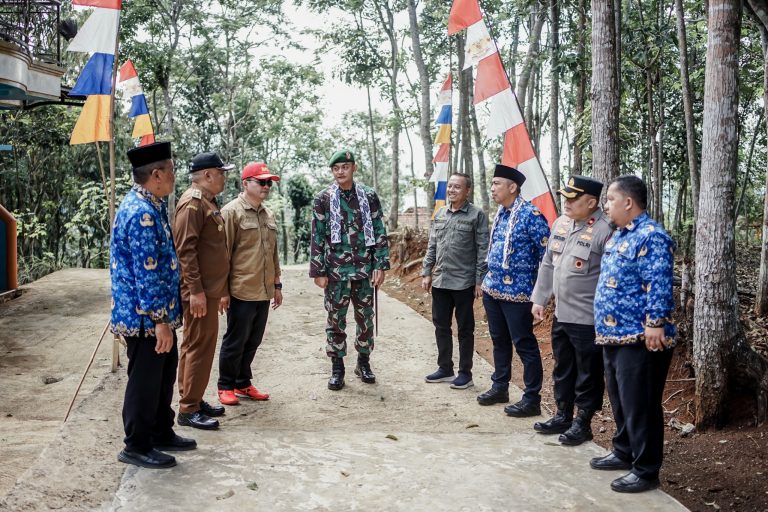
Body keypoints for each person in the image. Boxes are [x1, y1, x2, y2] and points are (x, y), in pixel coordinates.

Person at [112, 141, 196, 469]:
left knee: (163, 375)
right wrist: (160, 319)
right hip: (144, 318)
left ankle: (161, 430)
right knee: (145, 380)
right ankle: (136, 444)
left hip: (159, 315)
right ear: (156, 175)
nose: (175, 177)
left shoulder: (154, 205)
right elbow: (145, 272)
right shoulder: (141, 213)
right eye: (172, 171)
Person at [589, 175, 676, 494]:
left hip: (641, 336)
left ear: (628, 202)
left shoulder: (651, 236)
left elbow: (660, 282)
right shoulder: (619, 235)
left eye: (610, 199)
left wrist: (655, 322)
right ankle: (624, 451)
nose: (605, 205)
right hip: (614, 334)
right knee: (622, 399)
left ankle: (646, 468)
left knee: (641, 403)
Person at [530, 175, 612, 446]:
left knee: (588, 372)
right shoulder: (561, 223)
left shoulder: (605, 229)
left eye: (573, 198)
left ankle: (583, 423)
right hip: (561, 314)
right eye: (565, 197)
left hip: (588, 318)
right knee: (563, 367)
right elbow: (548, 263)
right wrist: (540, 299)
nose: (566, 202)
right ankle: (563, 415)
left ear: (591, 202)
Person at [309, 149, 390, 391]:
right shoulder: (323, 198)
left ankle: (363, 363)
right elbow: (317, 237)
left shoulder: (368, 196)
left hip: (365, 270)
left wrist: (381, 264)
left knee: (365, 319)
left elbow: (378, 230)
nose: (340, 172)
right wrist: (318, 271)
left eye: (345, 167)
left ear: (353, 168)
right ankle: (337, 368)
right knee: (335, 321)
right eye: (336, 168)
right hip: (335, 272)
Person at [477, 164, 550, 417]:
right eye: (493, 183)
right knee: (499, 341)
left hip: (519, 294)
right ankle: (500, 386)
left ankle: (531, 399)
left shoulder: (531, 215)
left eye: (497, 183)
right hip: (493, 290)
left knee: (524, 345)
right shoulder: (501, 213)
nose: (493, 187)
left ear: (512, 187)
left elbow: (547, 255)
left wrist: (541, 294)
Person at [173, 151, 233, 430]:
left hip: (208, 290)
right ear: (208, 175)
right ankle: (187, 409)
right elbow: (185, 251)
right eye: (221, 172)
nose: (224, 177)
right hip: (199, 292)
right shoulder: (193, 205)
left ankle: (193, 399)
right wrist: (195, 291)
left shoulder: (207, 202)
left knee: (198, 345)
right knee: (198, 347)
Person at [217, 162, 283, 406]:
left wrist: (277, 286)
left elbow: (273, 253)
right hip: (241, 290)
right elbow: (223, 255)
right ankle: (225, 385)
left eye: (269, 182)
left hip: (263, 290)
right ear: (245, 184)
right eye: (261, 182)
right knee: (235, 340)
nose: (267, 186)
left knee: (253, 340)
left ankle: (242, 383)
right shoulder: (231, 212)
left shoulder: (268, 214)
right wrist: (222, 291)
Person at [421, 173, 489, 390]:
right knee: (441, 326)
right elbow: (432, 245)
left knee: (465, 329)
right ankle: (445, 368)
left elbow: (482, 249)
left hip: (464, 283)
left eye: (457, 187)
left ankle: (465, 373)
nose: (451, 190)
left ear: (467, 190)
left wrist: (480, 280)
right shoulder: (440, 213)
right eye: (450, 186)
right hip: (440, 280)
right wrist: (426, 271)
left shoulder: (476, 215)